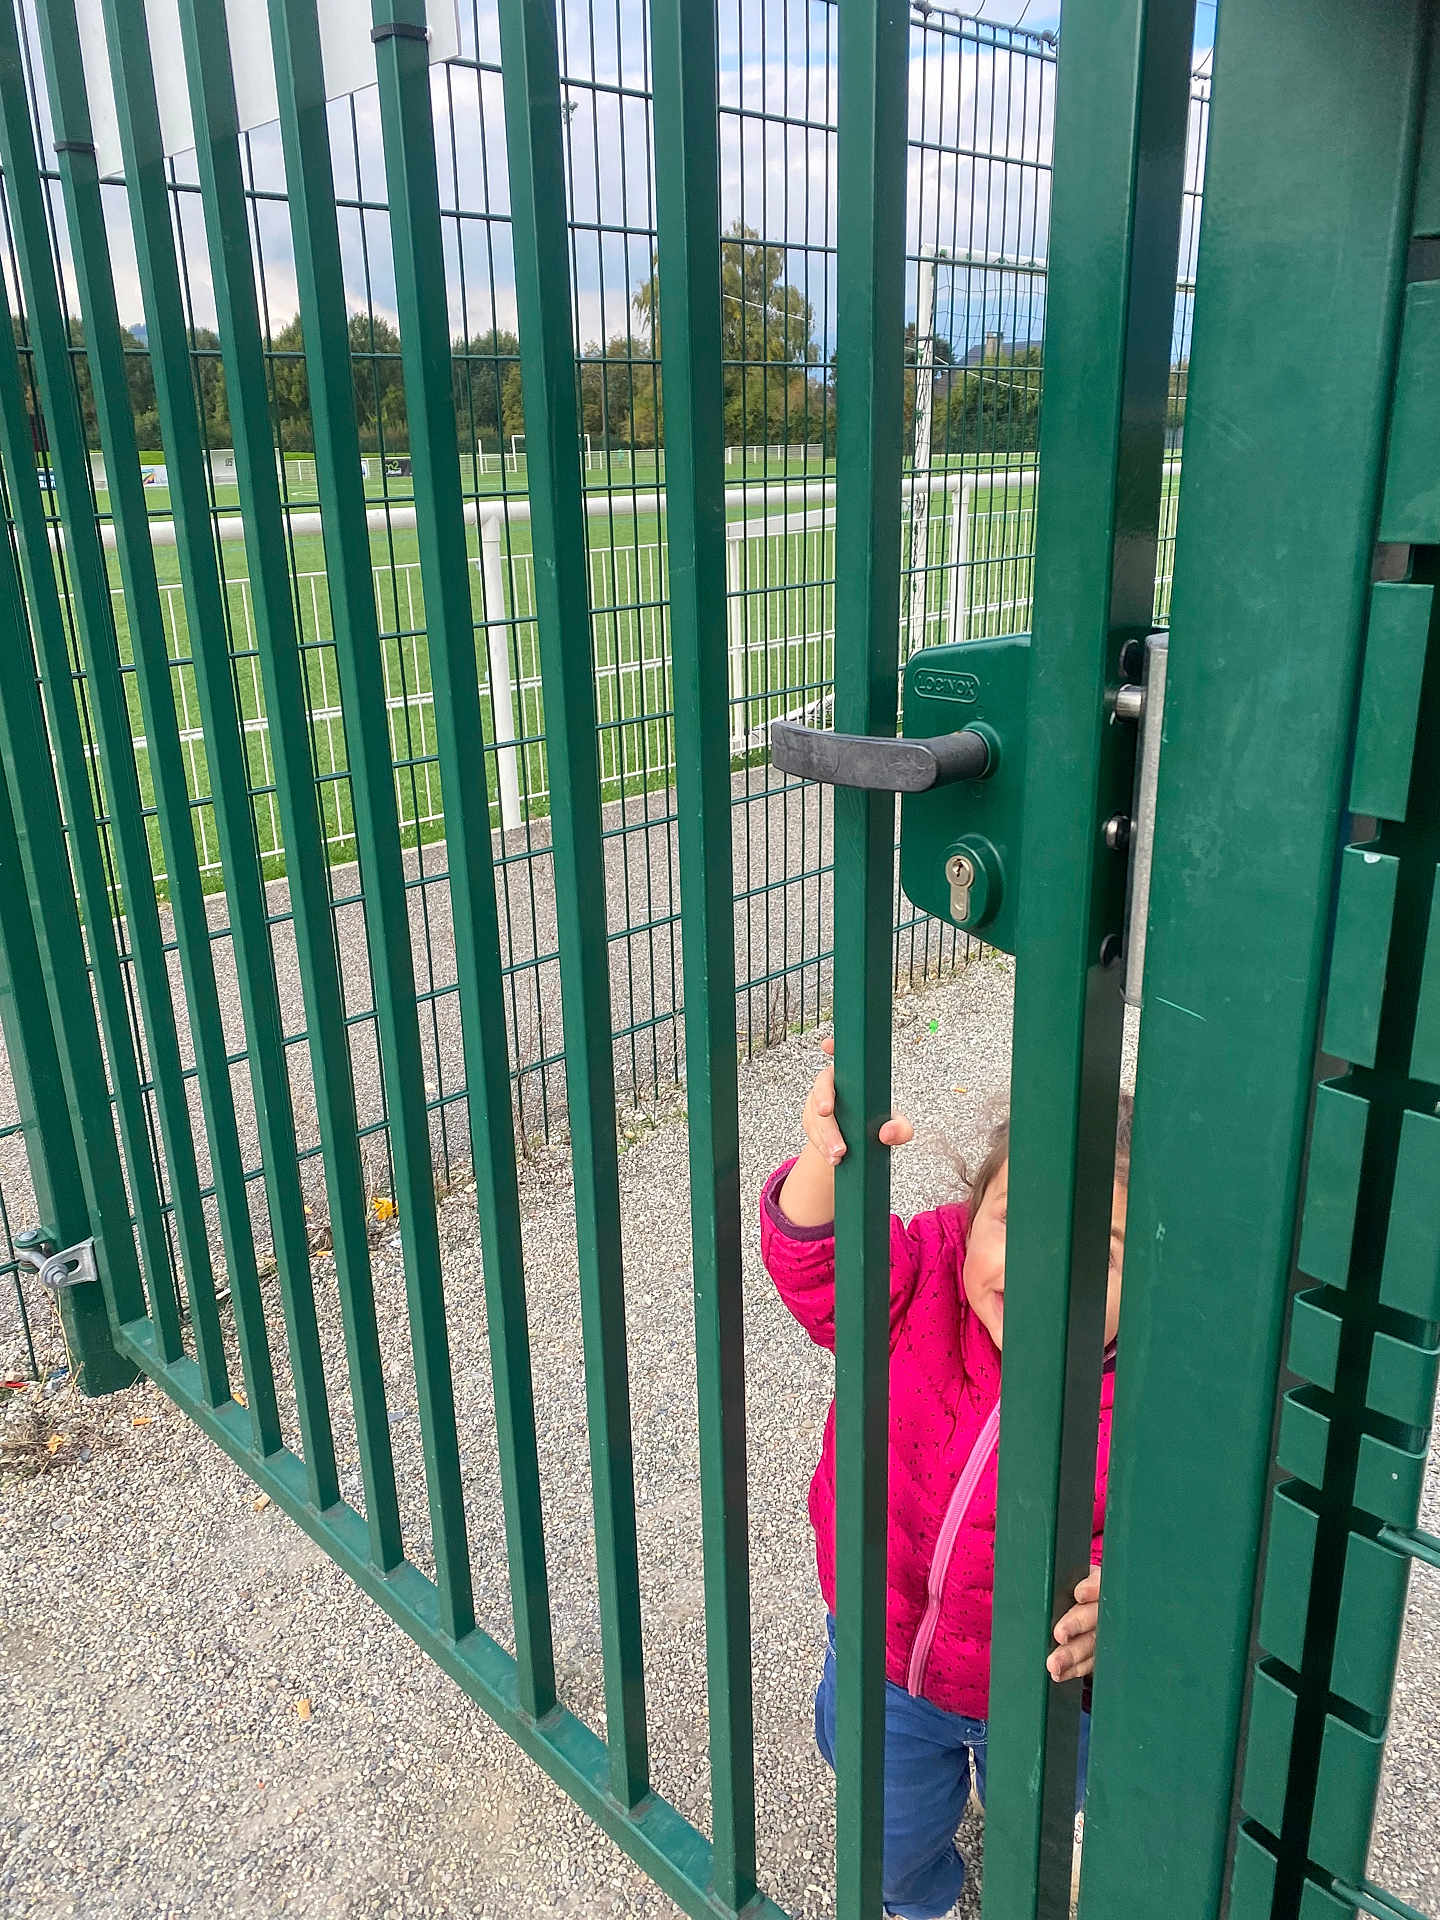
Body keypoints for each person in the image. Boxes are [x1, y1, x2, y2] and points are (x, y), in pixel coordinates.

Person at [760, 1037, 1130, 1920]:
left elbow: (1183, 1543)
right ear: (972, 1215)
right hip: (885, 1654)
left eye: (1100, 1252)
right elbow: (813, 1263)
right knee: (889, 1829)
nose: (1041, 1265)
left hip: (1042, 1696)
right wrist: (825, 1158)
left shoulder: (1152, 1401)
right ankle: (918, 1899)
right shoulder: (922, 1273)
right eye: (1013, 1218)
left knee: (1037, 1827)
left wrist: (1129, 1606)